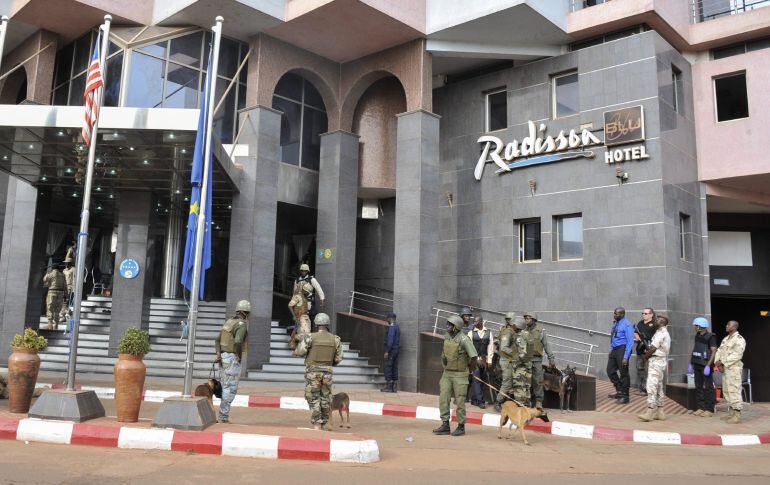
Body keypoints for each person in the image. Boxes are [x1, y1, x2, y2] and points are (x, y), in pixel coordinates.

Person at [295, 312, 344, 430]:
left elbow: (299, 352)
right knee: (326, 398)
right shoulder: (335, 339)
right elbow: (339, 358)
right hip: (327, 374)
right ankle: (323, 422)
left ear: (316, 324)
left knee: (313, 397)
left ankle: (317, 424)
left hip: (312, 373)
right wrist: (329, 364)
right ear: (328, 324)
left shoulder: (310, 337)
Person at [433, 314, 478, 437]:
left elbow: (474, 356)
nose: (447, 326)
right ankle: (445, 425)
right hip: (447, 373)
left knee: (460, 401)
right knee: (444, 399)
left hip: (460, 374)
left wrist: (471, 370)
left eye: (450, 324)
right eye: (447, 324)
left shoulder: (464, 339)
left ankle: (461, 426)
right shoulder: (447, 337)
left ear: (456, 327)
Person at [214, 299, 250, 423]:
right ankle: (223, 416)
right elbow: (239, 342)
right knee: (231, 388)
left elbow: (217, 340)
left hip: (223, 358)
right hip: (232, 358)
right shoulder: (241, 324)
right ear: (246, 312)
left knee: (225, 386)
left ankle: (223, 415)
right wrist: (239, 356)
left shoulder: (229, 322)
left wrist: (218, 354)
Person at [638, 313, 671, 422]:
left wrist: (645, 357)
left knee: (651, 385)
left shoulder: (662, 333)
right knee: (659, 386)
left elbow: (652, 348)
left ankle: (649, 411)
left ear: (662, 322)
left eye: (658, 319)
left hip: (656, 361)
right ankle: (660, 412)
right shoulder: (660, 332)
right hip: (659, 361)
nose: (656, 320)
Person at [493, 314, 529, 411]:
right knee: (507, 383)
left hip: (511, 361)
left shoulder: (513, 332)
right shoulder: (507, 333)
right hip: (506, 361)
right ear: (515, 326)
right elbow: (504, 348)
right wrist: (515, 354)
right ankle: (498, 402)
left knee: (513, 382)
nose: (520, 330)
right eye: (519, 329)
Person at [714, 320, 746, 424]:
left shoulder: (739, 339)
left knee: (734, 391)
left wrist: (722, 362)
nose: (726, 326)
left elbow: (737, 355)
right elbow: (719, 351)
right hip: (725, 369)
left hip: (734, 370)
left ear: (735, 327)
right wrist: (717, 363)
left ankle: (737, 415)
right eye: (726, 324)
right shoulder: (725, 339)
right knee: (727, 392)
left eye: (729, 324)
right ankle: (731, 413)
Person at [523, 311, 556, 409]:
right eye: (525, 318)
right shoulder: (523, 330)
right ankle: (526, 401)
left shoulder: (540, 331)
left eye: (528, 318)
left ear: (533, 319)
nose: (526, 320)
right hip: (525, 360)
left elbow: (546, 345)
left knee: (538, 381)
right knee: (525, 381)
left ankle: (539, 401)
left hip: (536, 360)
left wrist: (551, 359)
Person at [689, 317, 717, 417]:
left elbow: (714, 351)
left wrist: (708, 365)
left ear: (701, 326)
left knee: (709, 387)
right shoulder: (697, 335)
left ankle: (710, 409)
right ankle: (700, 407)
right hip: (696, 363)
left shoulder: (711, 337)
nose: (695, 327)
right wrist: (691, 363)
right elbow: (695, 348)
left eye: (696, 326)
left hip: (706, 365)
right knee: (698, 386)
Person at [607, 307, 635, 404]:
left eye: (617, 314)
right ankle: (619, 390)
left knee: (624, 373)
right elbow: (613, 338)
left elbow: (630, 341)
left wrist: (625, 357)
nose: (614, 315)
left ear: (622, 314)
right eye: (614, 313)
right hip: (615, 349)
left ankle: (625, 396)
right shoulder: (615, 323)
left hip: (622, 349)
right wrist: (611, 350)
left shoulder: (627, 325)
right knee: (610, 371)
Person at [467, 316, 494, 408]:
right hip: (475, 360)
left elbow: (490, 347)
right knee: (477, 380)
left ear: (481, 322)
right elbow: (469, 347)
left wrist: (489, 360)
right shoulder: (471, 333)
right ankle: (481, 401)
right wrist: (474, 359)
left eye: (476, 321)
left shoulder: (489, 333)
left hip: (484, 359)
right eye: (473, 321)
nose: (474, 323)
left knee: (482, 380)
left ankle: (474, 400)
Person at [633, 307, 656, 395]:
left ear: (651, 314)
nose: (643, 315)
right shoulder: (640, 323)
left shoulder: (654, 324)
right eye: (643, 313)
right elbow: (635, 332)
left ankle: (647, 389)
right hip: (640, 350)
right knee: (640, 369)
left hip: (649, 351)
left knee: (648, 371)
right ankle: (641, 388)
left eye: (645, 313)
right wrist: (637, 337)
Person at [288, 281, 313, 350]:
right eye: (307, 292)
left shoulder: (305, 297)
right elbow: (290, 306)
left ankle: (294, 344)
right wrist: (294, 316)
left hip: (305, 316)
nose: (308, 293)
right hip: (300, 317)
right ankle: (295, 344)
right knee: (303, 333)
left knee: (304, 332)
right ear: (304, 290)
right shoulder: (297, 297)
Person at [43, 264, 67, 330]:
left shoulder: (50, 274)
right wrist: (65, 295)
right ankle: (56, 325)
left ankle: (50, 325)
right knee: (57, 310)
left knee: (50, 308)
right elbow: (65, 286)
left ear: (53, 268)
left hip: (52, 292)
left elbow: (44, 280)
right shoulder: (62, 275)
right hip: (60, 293)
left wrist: (47, 274)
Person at [381, 312, 400, 393]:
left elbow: (390, 339)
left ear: (390, 318)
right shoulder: (397, 327)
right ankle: (394, 387)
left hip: (391, 350)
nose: (386, 320)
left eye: (387, 318)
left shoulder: (392, 327)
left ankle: (389, 387)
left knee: (388, 366)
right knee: (394, 367)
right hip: (396, 350)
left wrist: (387, 351)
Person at [59, 256, 76, 325]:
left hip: (70, 287)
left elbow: (74, 279)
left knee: (66, 302)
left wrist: (74, 289)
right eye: (65, 263)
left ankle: (66, 315)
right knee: (63, 302)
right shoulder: (64, 270)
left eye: (67, 263)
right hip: (63, 287)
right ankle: (63, 315)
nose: (66, 264)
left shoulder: (73, 269)